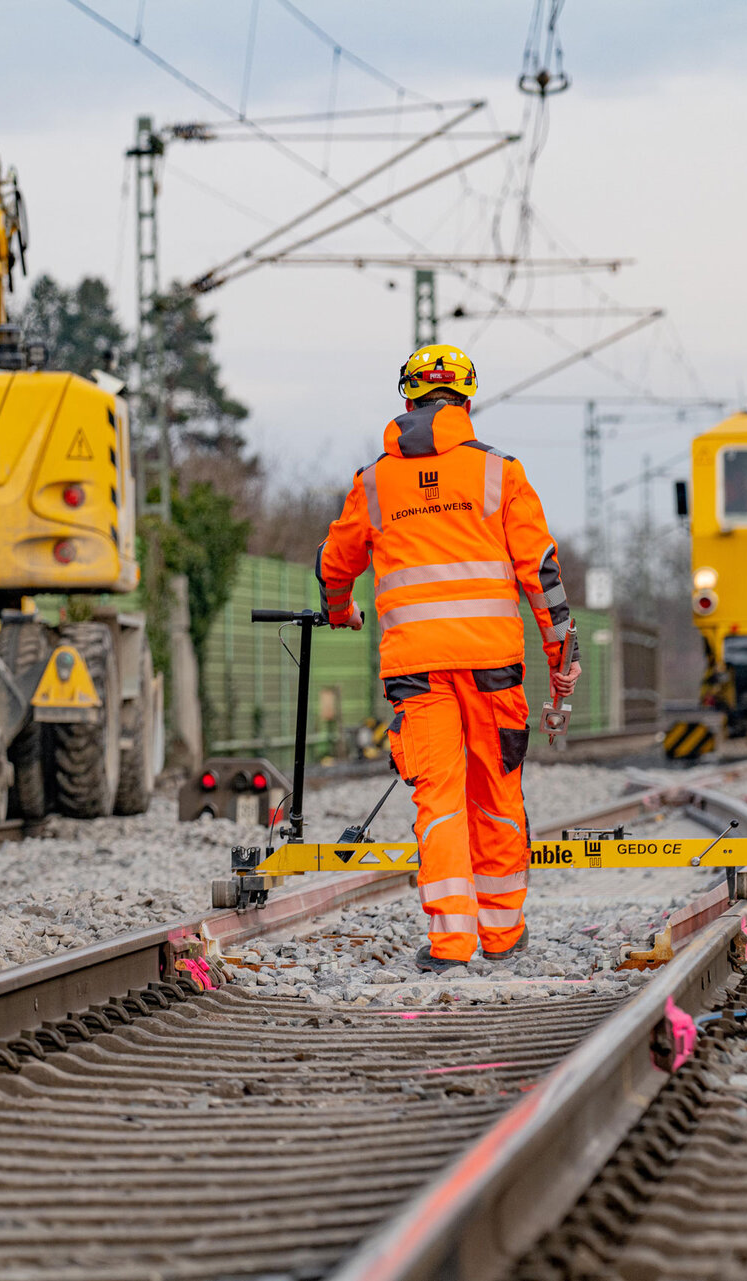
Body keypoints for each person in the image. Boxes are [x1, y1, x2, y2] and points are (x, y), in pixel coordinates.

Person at [317, 344, 580, 971]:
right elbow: (540, 574)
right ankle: (503, 933)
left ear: (407, 399)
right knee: (495, 792)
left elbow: (335, 562)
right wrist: (561, 655)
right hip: (492, 666)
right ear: (466, 398)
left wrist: (338, 611)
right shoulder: (501, 473)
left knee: (438, 801)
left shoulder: (373, 481)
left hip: (417, 670)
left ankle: (450, 945)